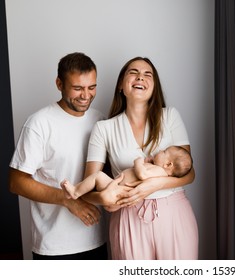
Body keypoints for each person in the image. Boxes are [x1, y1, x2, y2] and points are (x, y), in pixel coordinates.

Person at [82, 56, 199, 260]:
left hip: (173, 214)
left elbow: (190, 175)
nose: (140, 77)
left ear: (154, 86)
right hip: (127, 216)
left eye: (147, 74)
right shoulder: (104, 128)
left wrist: (154, 186)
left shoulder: (170, 116)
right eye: (133, 72)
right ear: (121, 84)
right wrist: (103, 198)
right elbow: (87, 189)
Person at [8, 52, 117, 260]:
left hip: (97, 239)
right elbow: (16, 182)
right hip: (54, 247)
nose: (86, 95)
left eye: (91, 87)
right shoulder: (39, 124)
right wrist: (69, 201)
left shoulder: (100, 121)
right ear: (59, 84)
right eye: (77, 88)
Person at [60, 145, 193, 202]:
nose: (160, 151)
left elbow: (142, 175)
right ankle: (76, 191)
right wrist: (148, 163)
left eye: (163, 152)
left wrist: (139, 162)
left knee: (98, 176)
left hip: (118, 188)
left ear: (168, 164)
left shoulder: (160, 171)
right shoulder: (158, 170)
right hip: (117, 187)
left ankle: (76, 192)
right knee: (97, 177)